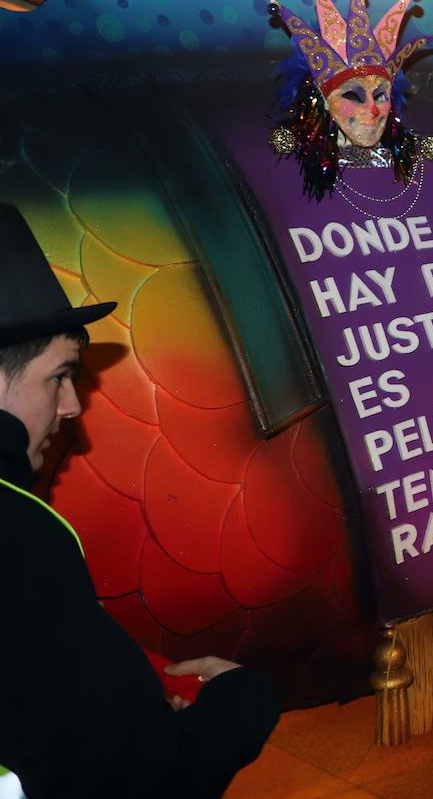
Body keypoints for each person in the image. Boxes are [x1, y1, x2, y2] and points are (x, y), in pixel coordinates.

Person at [0, 204, 280, 797]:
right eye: (59, 375)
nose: (72, 405)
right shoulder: (21, 534)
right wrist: (241, 702)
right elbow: (138, 778)